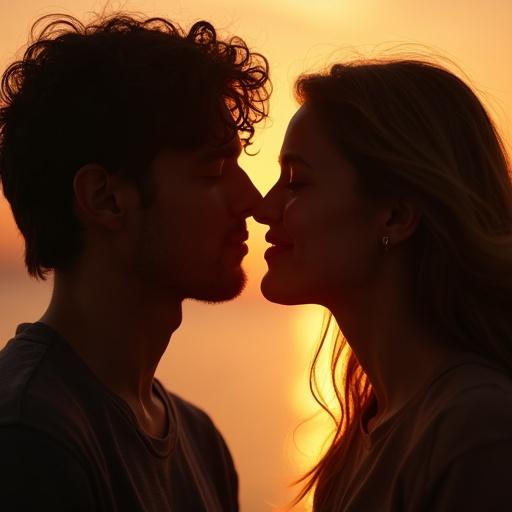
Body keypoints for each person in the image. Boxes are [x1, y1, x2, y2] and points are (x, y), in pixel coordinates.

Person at [0, 12, 270, 511]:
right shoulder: (29, 438)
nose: (252, 201)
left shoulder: (201, 441)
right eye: (213, 171)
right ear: (104, 198)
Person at [255, 58, 512, 511]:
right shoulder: (366, 432)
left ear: (395, 214)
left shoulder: (479, 433)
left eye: (296, 181)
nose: (265, 207)